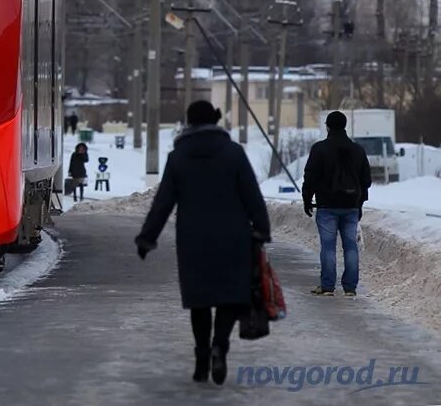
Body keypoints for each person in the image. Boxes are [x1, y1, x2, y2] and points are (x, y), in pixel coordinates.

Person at [135, 100, 270, 386]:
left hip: (193, 240)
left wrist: (147, 238)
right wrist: (261, 229)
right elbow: (252, 195)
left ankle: (201, 359)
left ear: (189, 123)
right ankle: (220, 345)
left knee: (200, 302)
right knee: (230, 297)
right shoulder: (234, 153)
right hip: (233, 238)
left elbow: (163, 203)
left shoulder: (178, 157)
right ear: (215, 121)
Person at [302, 110, 371, 297]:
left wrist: (307, 198)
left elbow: (310, 177)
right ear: (345, 126)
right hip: (351, 206)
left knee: (328, 246)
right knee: (350, 246)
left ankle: (327, 286)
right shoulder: (357, 150)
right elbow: (366, 180)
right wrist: (360, 202)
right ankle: (350, 287)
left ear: (328, 126)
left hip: (326, 206)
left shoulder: (320, 149)